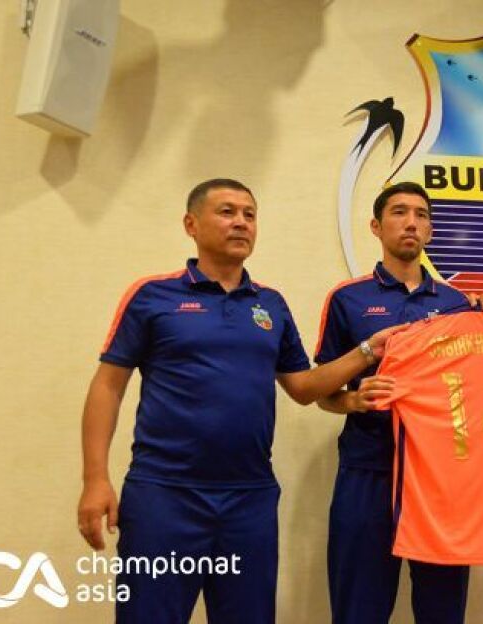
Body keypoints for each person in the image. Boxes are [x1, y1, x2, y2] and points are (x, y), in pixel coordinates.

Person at [76, 178, 399, 624]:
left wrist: (366, 352)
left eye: (250, 214)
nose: (241, 222)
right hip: (164, 495)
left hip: (250, 499)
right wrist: (95, 479)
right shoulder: (152, 296)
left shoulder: (271, 304)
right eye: (227, 212)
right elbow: (108, 387)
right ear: (191, 224)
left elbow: (303, 388)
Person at [314, 181, 483, 624]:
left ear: (431, 230)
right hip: (368, 469)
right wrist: (353, 401)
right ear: (376, 226)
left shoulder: (459, 304)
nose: (411, 222)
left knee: (442, 609)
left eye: (421, 214)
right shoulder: (347, 298)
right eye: (399, 212)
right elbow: (322, 393)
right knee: (359, 609)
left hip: (440, 478)